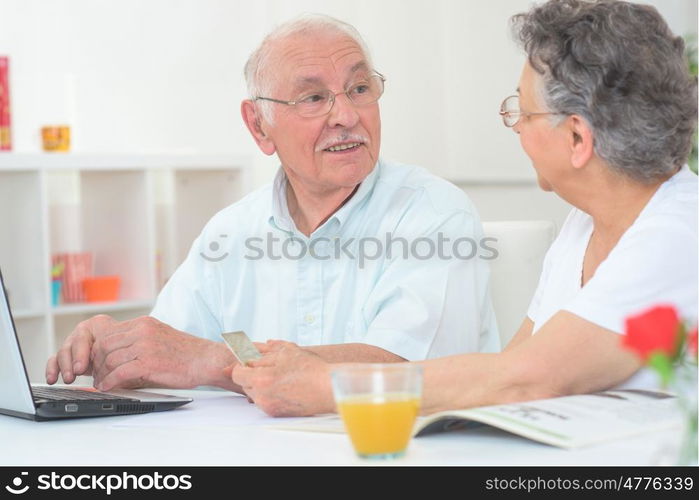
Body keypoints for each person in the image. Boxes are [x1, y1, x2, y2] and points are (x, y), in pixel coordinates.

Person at [232, 0, 698, 417]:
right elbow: (506, 370)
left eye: (523, 112)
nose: (515, 128)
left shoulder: (677, 235)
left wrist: (326, 384)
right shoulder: (584, 226)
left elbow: (525, 378)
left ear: (576, 138)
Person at [44, 15, 499, 392]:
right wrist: (120, 348)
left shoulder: (435, 214)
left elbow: (402, 368)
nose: (346, 116)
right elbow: (175, 349)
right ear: (259, 126)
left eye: (360, 89)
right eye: (314, 98)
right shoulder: (231, 231)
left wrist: (214, 360)